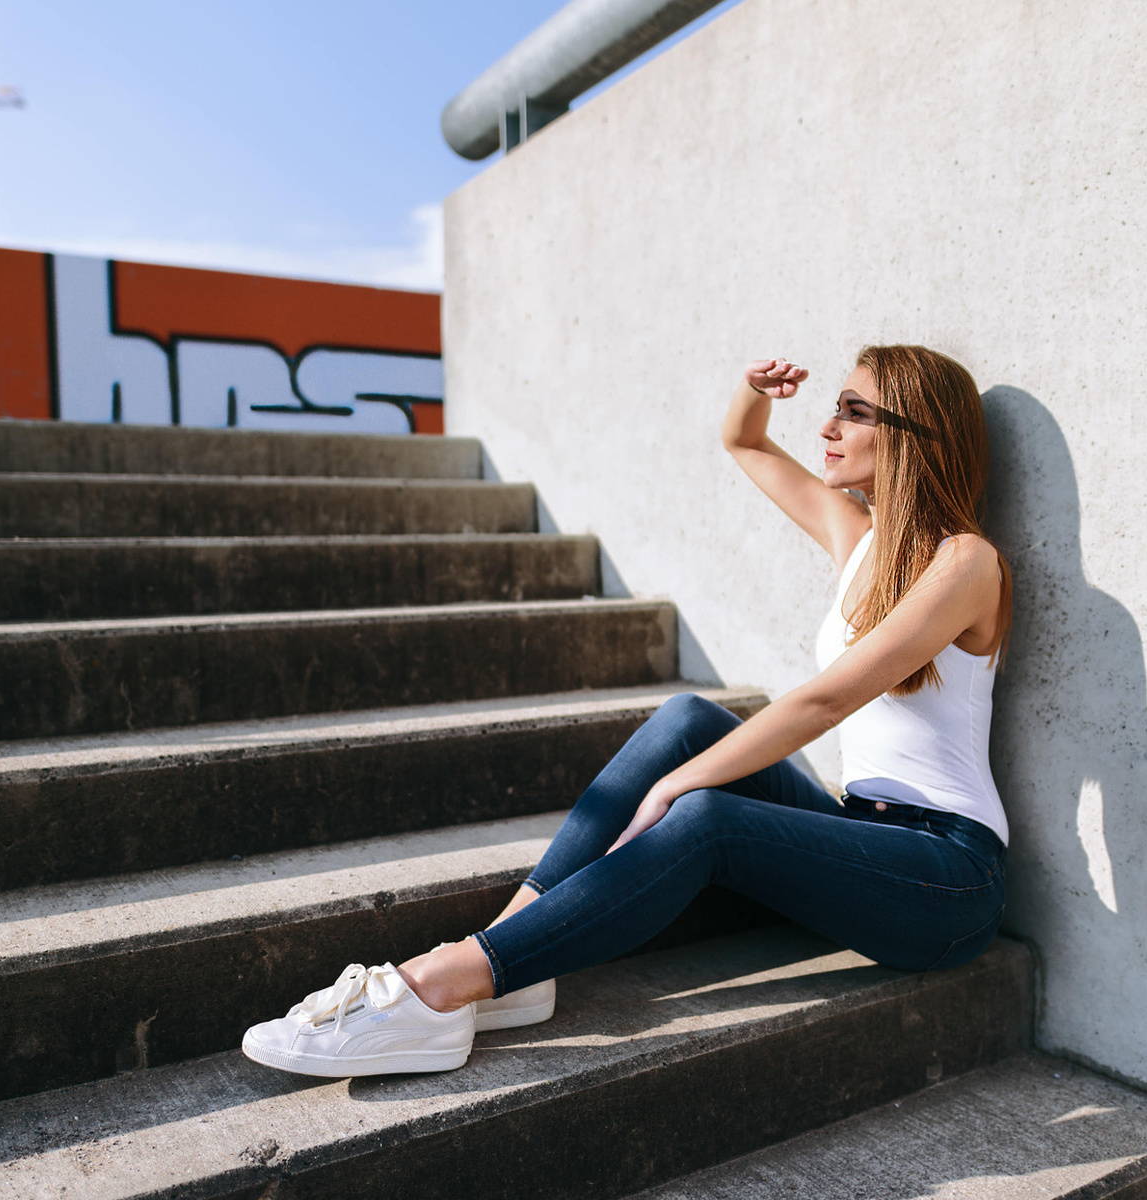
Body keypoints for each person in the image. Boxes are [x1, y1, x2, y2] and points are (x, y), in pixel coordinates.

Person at [242, 345, 1013, 1078]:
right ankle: (512, 954)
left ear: (917, 433)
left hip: (947, 877)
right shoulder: (861, 539)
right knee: (686, 718)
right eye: (831, 407)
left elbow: (830, 698)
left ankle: (445, 982)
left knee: (708, 813)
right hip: (862, 833)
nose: (827, 427)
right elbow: (743, 441)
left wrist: (675, 788)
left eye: (853, 410)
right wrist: (755, 388)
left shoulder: (967, 562)